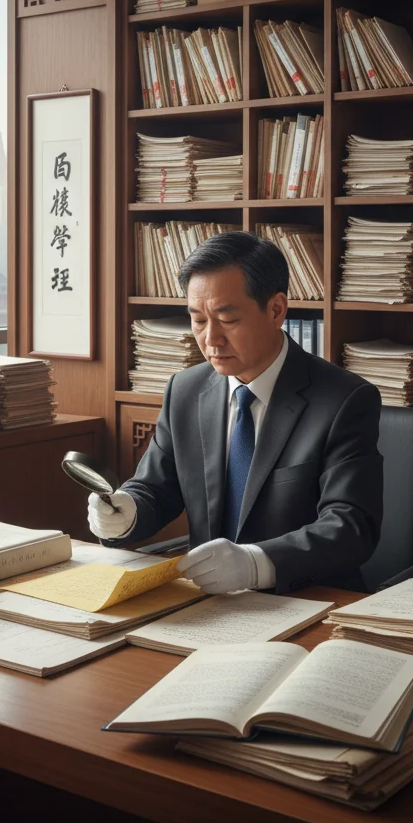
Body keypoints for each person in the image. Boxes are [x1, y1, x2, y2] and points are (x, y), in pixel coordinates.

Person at [89, 230, 383, 594]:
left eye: (227, 319)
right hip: (208, 603)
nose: (211, 339)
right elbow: (157, 488)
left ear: (276, 310)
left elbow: (350, 527)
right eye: (198, 319)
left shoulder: (344, 400)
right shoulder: (185, 390)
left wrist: (256, 563)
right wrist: (126, 511)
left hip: (307, 601)